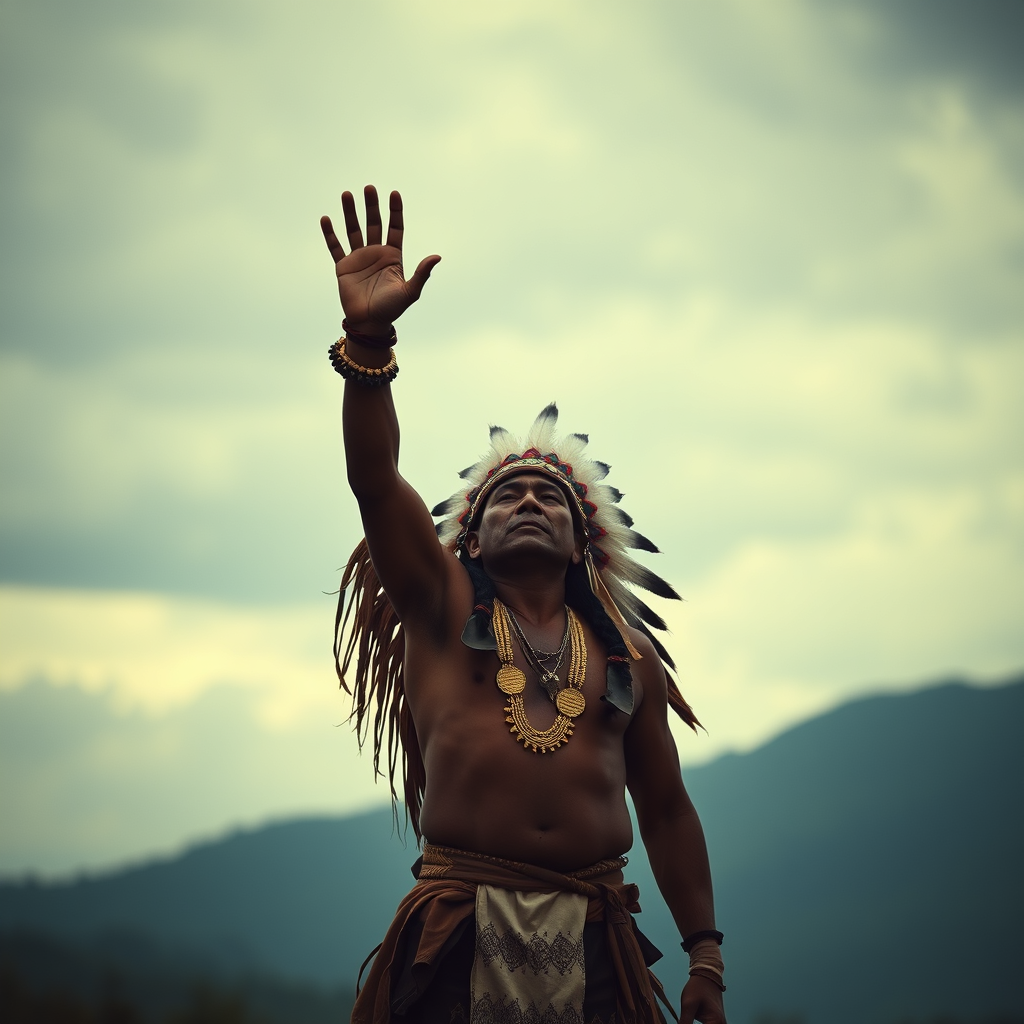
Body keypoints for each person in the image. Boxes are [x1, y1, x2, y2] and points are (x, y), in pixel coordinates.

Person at [320, 186, 727, 1024]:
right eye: (508, 497)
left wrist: (706, 959)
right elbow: (373, 479)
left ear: (583, 544)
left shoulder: (625, 658)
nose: (531, 501)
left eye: (551, 497)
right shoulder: (439, 603)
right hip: (455, 928)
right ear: (469, 540)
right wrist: (370, 337)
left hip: (598, 934)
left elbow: (665, 806)